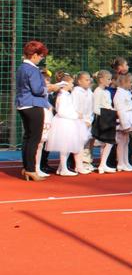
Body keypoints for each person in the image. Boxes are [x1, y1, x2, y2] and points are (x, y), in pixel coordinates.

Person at [16, 41, 62, 181]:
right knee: (34, 139)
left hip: (23, 104)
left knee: (27, 138)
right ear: (35, 55)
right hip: (34, 105)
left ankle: (27, 168)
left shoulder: (22, 67)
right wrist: (51, 88)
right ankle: (31, 169)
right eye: (41, 56)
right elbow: (37, 90)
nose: (41, 58)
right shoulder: (33, 69)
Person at [48, 72, 87, 177]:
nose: (73, 85)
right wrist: (75, 115)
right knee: (65, 146)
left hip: (69, 122)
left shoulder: (67, 95)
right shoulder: (62, 96)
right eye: (71, 83)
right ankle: (64, 169)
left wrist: (76, 113)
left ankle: (61, 167)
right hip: (64, 123)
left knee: (68, 146)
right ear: (65, 84)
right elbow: (61, 111)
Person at [92, 70, 118, 174]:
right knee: (108, 142)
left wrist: (112, 111)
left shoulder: (106, 92)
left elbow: (108, 105)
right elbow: (95, 108)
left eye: (110, 79)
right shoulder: (98, 91)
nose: (110, 81)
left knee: (106, 143)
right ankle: (102, 165)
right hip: (103, 119)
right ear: (101, 79)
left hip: (108, 118)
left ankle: (103, 164)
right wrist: (107, 114)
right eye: (108, 79)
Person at [113, 72, 132, 172]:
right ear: (123, 82)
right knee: (121, 142)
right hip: (124, 121)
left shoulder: (126, 93)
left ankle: (126, 162)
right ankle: (120, 163)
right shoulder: (119, 94)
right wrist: (125, 124)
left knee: (126, 142)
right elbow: (120, 110)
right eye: (130, 82)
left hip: (129, 120)